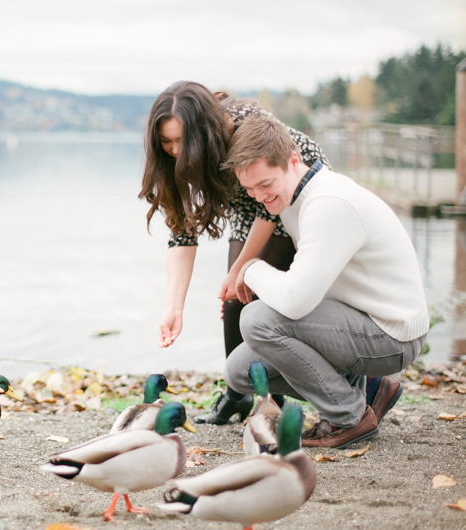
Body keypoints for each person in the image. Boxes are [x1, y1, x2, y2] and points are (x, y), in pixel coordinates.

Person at [222, 115, 428, 448]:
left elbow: (295, 301)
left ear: (293, 160)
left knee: (256, 321)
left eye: (265, 184)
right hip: (357, 319)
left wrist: (249, 268)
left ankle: (348, 416)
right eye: (249, 189)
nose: (259, 196)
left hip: (392, 333)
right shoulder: (292, 197)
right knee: (240, 371)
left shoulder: (328, 202)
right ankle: (366, 391)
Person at [139, 81, 329, 424]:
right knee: (235, 299)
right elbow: (182, 234)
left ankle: (272, 401)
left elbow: (271, 209)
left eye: (182, 140)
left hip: (291, 196)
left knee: (252, 292)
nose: (175, 150)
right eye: (166, 142)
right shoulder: (174, 162)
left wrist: (240, 268)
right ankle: (237, 395)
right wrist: (173, 308)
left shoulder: (244, 128)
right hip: (250, 207)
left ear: (201, 130)